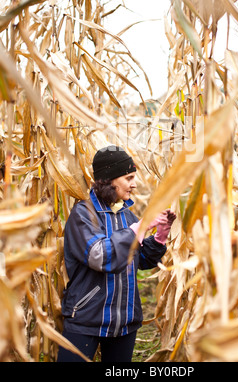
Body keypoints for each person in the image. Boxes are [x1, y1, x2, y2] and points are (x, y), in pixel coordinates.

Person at [57, 145, 176, 362]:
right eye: (129, 177)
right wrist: (140, 228)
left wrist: (160, 236)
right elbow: (101, 256)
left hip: (124, 322)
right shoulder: (83, 215)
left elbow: (140, 259)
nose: (135, 184)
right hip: (86, 320)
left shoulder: (126, 216)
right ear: (109, 179)